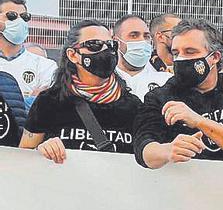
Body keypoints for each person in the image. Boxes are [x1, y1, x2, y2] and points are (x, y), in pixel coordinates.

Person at [132, 20, 223, 169]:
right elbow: (143, 148)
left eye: (190, 52)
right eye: (176, 53)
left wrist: (199, 121)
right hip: (181, 186)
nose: (181, 59)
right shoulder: (160, 97)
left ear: (215, 57)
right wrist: (167, 151)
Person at [20, 20, 140, 161]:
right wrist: (41, 149)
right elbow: (24, 153)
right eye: (94, 45)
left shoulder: (133, 106)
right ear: (72, 55)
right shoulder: (49, 101)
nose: (106, 51)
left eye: (111, 45)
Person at [0, 0, 56, 103]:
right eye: (12, 16)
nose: (19, 21)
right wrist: (30, 100)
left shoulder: (45, 66)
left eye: (25, 17)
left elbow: (44, 105)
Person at [111, 14, 174, 101]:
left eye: (146, 36)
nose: (142, 41)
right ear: (116, 41)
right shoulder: (104, 79)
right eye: (134, 35)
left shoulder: (166, 79)